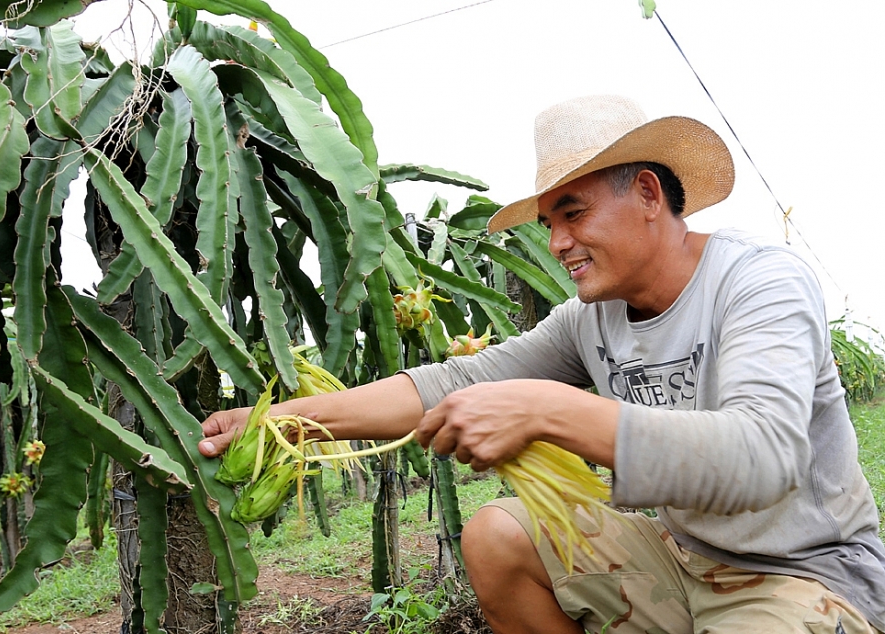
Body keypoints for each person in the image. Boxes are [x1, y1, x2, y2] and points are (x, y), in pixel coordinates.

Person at [199, 95, 885, 633]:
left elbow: (764, 456)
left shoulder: (759, 282)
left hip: (806, 574)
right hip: (683, 560)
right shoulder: (592, 319)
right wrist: (285, 421)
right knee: (498, 535)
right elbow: (455, 380)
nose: (557, 242)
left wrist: (547, 410)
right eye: (549, 222)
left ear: (648, 193)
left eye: (573, 213)